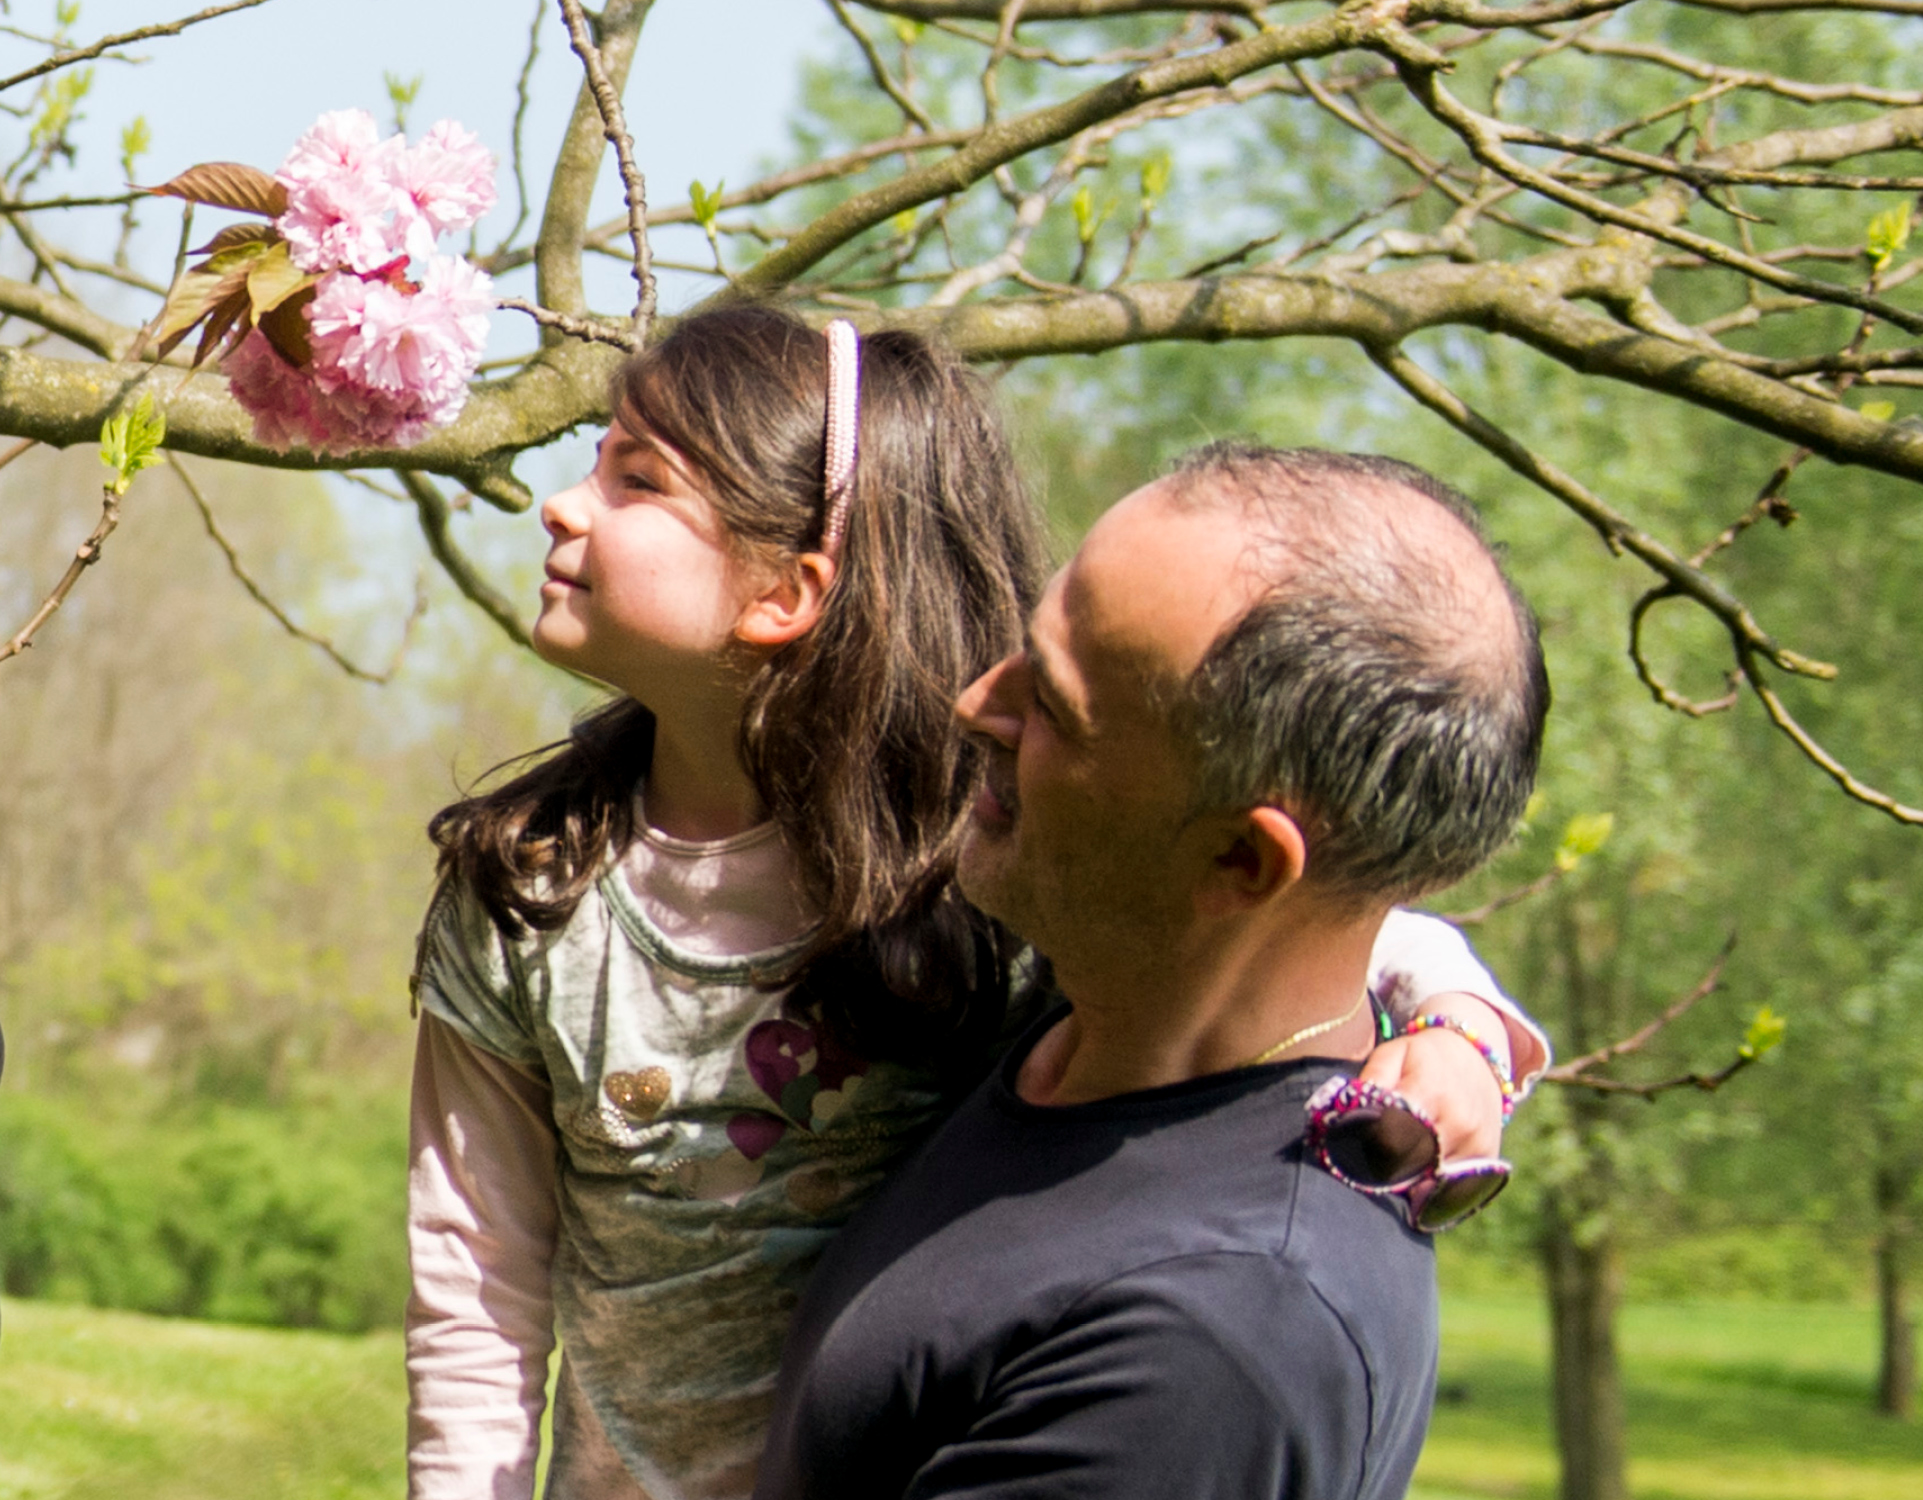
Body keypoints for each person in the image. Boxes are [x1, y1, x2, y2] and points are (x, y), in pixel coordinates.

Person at [404, 311, 1545, 1500]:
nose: (561, 504)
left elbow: (1329, 906)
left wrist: (1456, 1026)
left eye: (638, 481)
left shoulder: (972, 848)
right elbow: (471, 1281)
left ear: (789, 590)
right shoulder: (531, 892)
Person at [756, 442, 1551, 1500]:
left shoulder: (1203, 1345)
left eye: (1055, 708)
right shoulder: (1101, 1012)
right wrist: (1461, 1017)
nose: (977, 702)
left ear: (1237, 861)